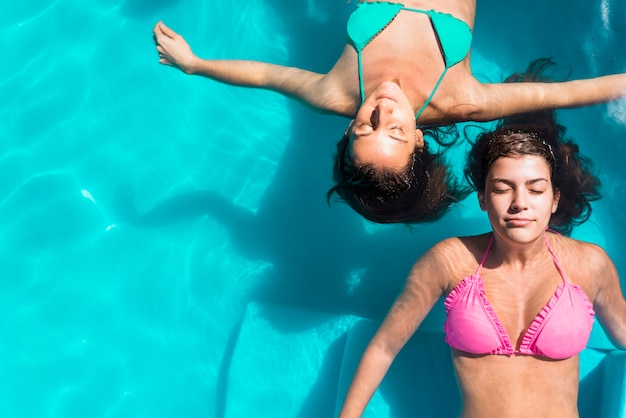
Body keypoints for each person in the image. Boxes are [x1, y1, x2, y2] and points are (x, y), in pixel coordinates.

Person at [152, 0, 626, 223]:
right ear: (419, 139)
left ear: (346, 132)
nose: (381, 109)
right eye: (396, 130)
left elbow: (263, 75)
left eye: (364, 127)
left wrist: (195, 65)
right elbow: (565, 94)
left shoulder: (336, 92)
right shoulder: (462, 100)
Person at [337, 111, 626, 417]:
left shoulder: (588, 264)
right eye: (502, 188)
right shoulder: (449, 261)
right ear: (482, 199)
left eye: (536, 189)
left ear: (554, 199)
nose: (520, 202)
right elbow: (385, 347)